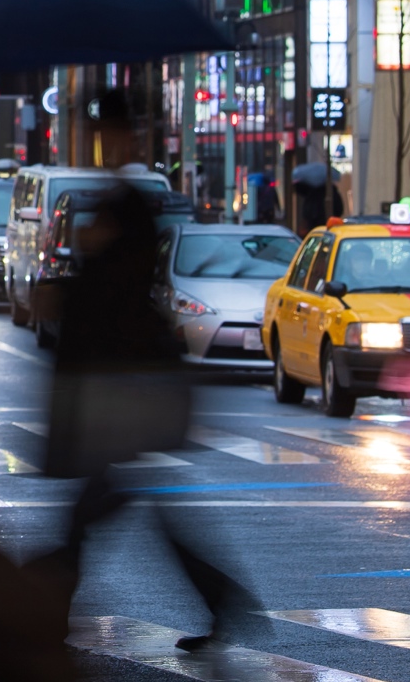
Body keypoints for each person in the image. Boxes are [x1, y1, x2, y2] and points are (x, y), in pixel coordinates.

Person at [46, 90, 257, 651]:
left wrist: (82, 271)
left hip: (125, 376)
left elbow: (121, 293)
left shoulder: (129, 206)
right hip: (122, 374)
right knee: (118, 499)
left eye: (112, 136)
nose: (106, 146)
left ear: (128, 139)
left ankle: (50, 614)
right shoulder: (117, 201)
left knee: (98, 501)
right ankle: (219, 598)